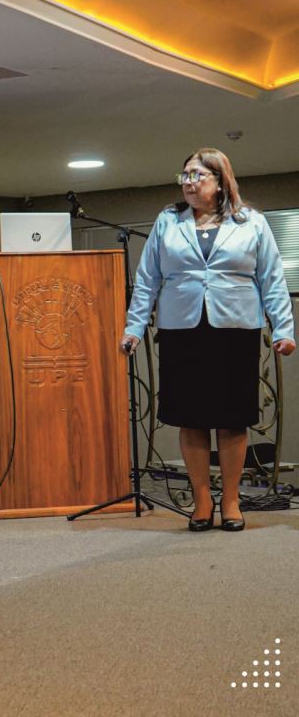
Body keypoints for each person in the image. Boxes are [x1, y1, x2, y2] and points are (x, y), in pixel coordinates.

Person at [121, 148, 295, 532]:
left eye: (197, 175)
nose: (188, 182)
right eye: (184, 175)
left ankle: (231, 500)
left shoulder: (251, 222)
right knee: (191, 417)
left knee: (233, 418)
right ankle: (202, 499)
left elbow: (271, 279)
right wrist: (134, 328)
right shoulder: (168, 221)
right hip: (181, 330)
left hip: (235, 329)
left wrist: (283, 329)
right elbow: (148, 278)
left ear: (220, 181)